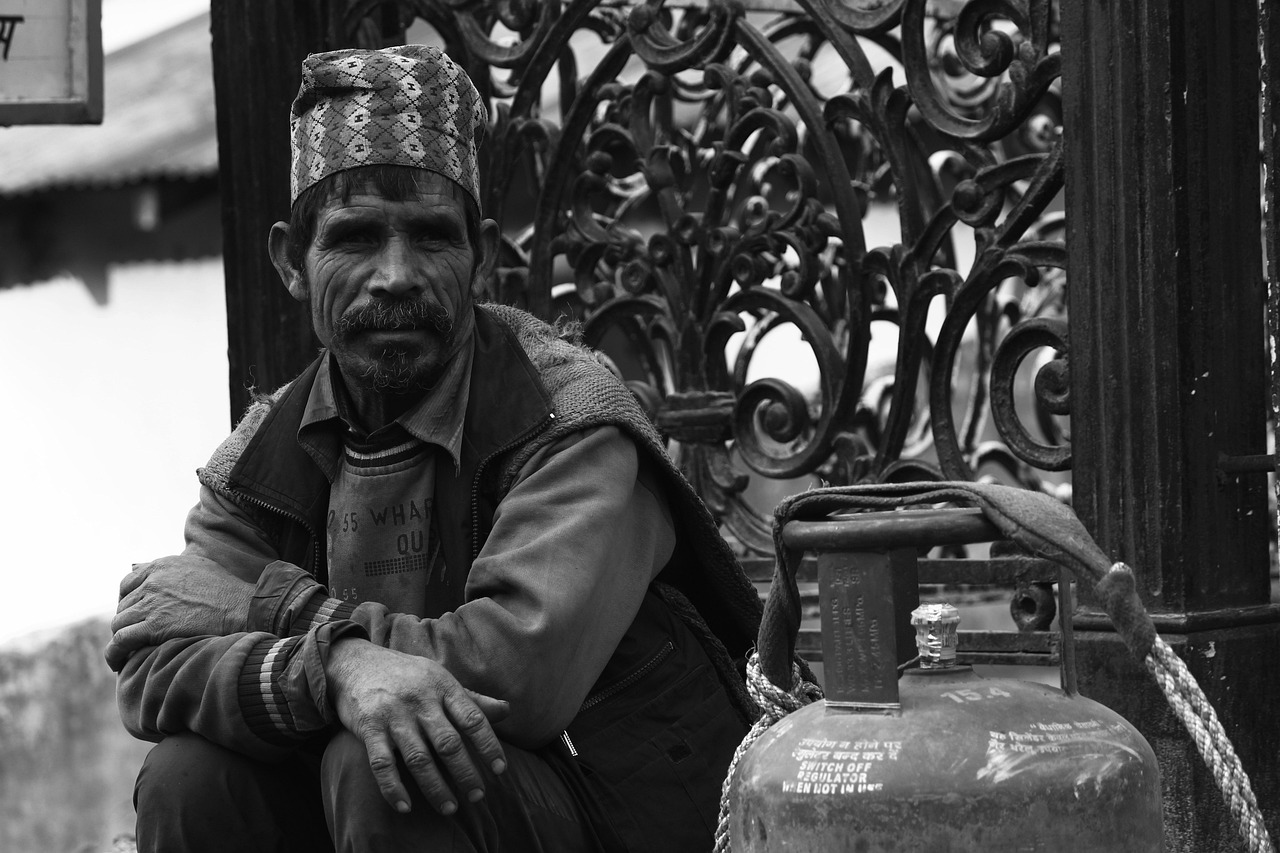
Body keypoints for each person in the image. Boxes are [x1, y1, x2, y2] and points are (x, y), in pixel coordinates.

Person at [106, 44, 765, 853]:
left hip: (613, 814)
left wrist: (277, 612)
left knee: (396, 763)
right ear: (292, 263)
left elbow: (514, 676)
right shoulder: (259, 461)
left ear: (480, 257)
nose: (395, 275)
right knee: (190, 778)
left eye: (430, 237)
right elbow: (154, 663)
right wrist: (337, 670)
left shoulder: (568, 419)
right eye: (354, 238)